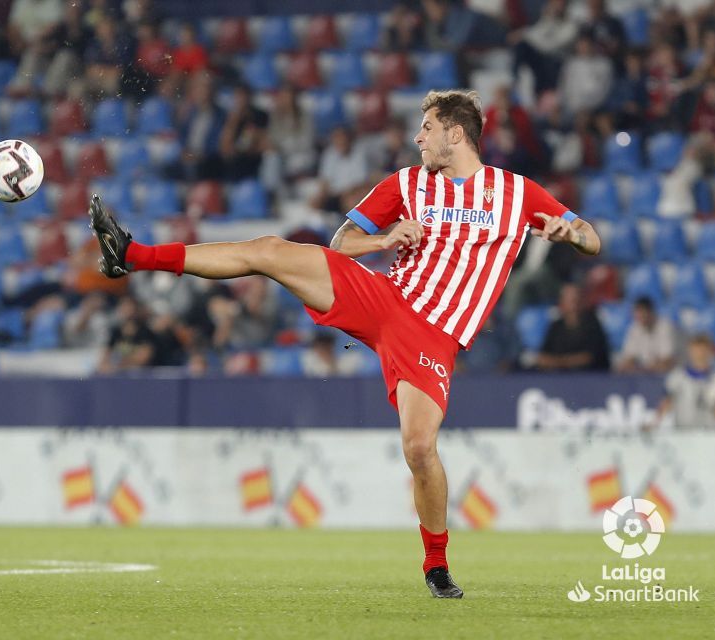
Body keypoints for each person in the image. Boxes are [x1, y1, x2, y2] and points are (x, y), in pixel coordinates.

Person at [87, 89, 601, 598]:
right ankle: (132, 254)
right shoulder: (407, 183)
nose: (416, 136)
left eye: (427, 128)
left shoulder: (516, 193)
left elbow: (591, 238)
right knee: (269, 250)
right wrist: (384, 239)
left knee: (420, 449)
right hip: (383, 297)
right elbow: (341, 243)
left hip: (433, 335)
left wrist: (567, 233)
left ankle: (436, 565)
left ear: (456, 133)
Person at [536, 283, 610, 371]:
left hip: (588, 377)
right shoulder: (556, 326)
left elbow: (589, 357)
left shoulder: (593, 324)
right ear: (561, 303)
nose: (574, 305)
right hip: (557, 378)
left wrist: (559, 362)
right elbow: (543, 357)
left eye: (576, 300)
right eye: (570, 301)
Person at [655, 334, 715, 431]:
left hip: (709, 435)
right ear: (690, 350)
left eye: (703, 349)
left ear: (709, 351)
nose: (699, 353)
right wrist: (655, 423)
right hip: (684, 435)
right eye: (696, 349)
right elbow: (666, 403)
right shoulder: (677, 377)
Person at [614, 297, 677, 374]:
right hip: (646, 375)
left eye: (642, 314)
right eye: (637, 315)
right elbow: (628, 358)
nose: (640, 318)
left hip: (670, 375)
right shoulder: (635, 328)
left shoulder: (665, 326)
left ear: (651, 313)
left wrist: (644, 368)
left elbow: (667, 361)